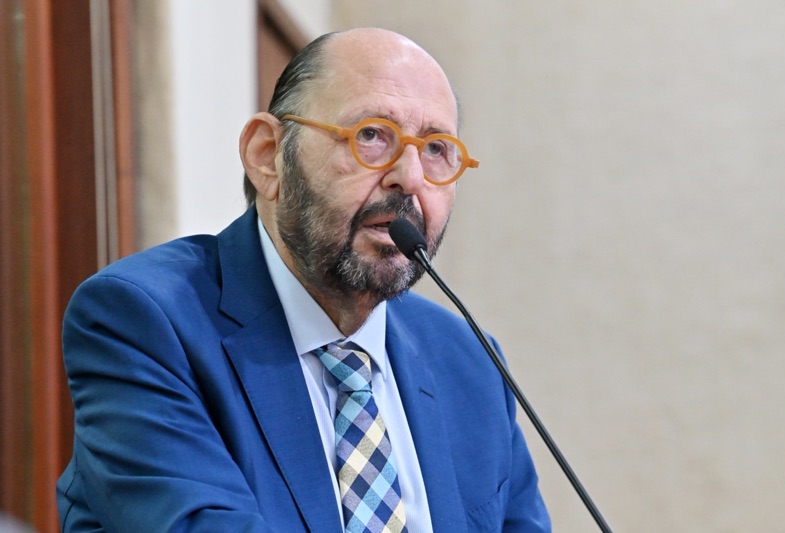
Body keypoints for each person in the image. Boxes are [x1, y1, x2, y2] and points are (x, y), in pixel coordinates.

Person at [56, 28, 551, 532]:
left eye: (436, 149)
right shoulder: (145, 322)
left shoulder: (470, 363)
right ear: (268, 155)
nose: (410, 177)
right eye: (371, 136)